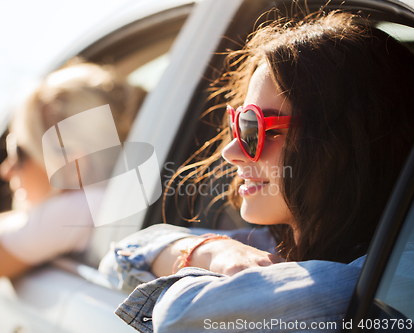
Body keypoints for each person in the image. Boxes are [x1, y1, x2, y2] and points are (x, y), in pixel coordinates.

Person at [99, 10, 414, 332]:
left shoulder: (390, 278)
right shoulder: (278, 243)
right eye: (238, 123)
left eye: (258, 127)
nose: (230, 151)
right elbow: (122, 254)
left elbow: (182, 316)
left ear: (351, 141)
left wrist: (198, 259)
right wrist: (214, 251)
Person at [0, 62, 144, 288]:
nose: (5, 170)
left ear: (73, 166)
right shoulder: (114, 199)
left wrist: (36, 214)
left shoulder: (82, 207)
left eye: (19, 153)